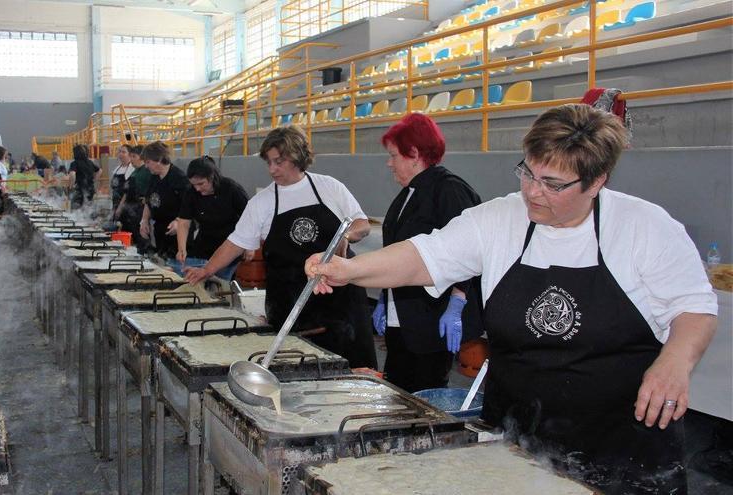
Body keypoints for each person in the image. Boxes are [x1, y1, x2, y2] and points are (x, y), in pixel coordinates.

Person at [305, 104, 718, 493]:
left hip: (622, 447)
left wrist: (675, 361)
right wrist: (349, 271)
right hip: (519, 442)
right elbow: (422, 257)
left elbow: (695, 310)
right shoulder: (501, 219)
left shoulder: (644, 227)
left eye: (553, 184)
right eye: (528, 173)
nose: (533, 192)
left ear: (596, 182)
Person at [185, 126, 378, 369]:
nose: (272, 169)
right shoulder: (263, 203)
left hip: (341, 303)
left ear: (297, 157)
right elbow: (235, 243)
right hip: (292, 306)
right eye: (269, 162)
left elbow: (362, 224)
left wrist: (345, 235)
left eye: (279, 161)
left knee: (355, 374)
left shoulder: (329, 187)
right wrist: (207, 270)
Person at [372, 113, 483, 393]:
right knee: (398, 392)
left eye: (393, 155)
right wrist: (385, 299)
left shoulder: (450, 190)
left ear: (414, 154)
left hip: (433, 319)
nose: (389, 163)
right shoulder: (408, 193)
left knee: (424, 395)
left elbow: (470, 250)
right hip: (404, 317)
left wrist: (458, 302)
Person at [175, 155, 249, 280]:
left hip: (229, 246)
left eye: (201, 183)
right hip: (203, 245)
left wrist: (249, 246)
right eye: (194, 185)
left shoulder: (231, 189)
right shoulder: (191, 192)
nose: (197, 188)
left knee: (220, 285)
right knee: (197, 282)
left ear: (212, 177)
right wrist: (181, 249)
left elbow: (249, 219)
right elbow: (183, 222)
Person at [139, 141, 188, 259]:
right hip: (160, 229)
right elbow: (148, 200)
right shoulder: (154, 177)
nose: (146, 166)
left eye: (148, 162)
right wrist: (144, 220)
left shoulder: (178, 178)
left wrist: (178, 221)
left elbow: (188, 206)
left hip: (178, 232)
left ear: (159, 159)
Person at [114, 145, 153, 253]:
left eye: (134, 157)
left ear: (142, 157)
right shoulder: (134, 172)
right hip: (129, 210)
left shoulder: (146, 171)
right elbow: (126, 193)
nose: (131, 160)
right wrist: (120, 207)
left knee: (141, 239)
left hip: (139, 210)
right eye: (131, 156)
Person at [68, 144, 101, 209]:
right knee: (88, 209)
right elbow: (100, 170)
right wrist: (94, 180)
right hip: (90, 189)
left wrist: (71, 185)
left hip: (79, 190)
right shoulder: (90, 162)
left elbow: (72, 174)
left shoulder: (74, 163)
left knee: (78, 210)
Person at [110, 144, 133, 213]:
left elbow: (128, 192)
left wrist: (120, 207)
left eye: (123, 152)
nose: (120, 154)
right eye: (119, 151)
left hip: (126, 205)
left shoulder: (131, 169)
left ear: (130, 154)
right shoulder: (117, 169)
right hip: (115, 202)